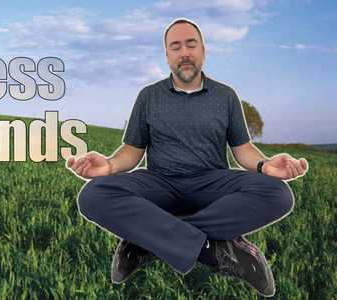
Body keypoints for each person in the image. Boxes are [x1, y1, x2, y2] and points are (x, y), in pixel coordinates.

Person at [66, 18, 308, 297]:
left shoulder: (226, 96)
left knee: (278, 194)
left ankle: (146, 242)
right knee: (92, 196)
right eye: (175, 46)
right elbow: (133, 152)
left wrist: (266, 165)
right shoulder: (148, 96)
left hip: (212, 182)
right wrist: (108, 165)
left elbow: (242, 150)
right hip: (159, 182)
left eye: (191, 44)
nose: (184, 52)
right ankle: (212, 249)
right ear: (167, 56)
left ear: (203, 51)